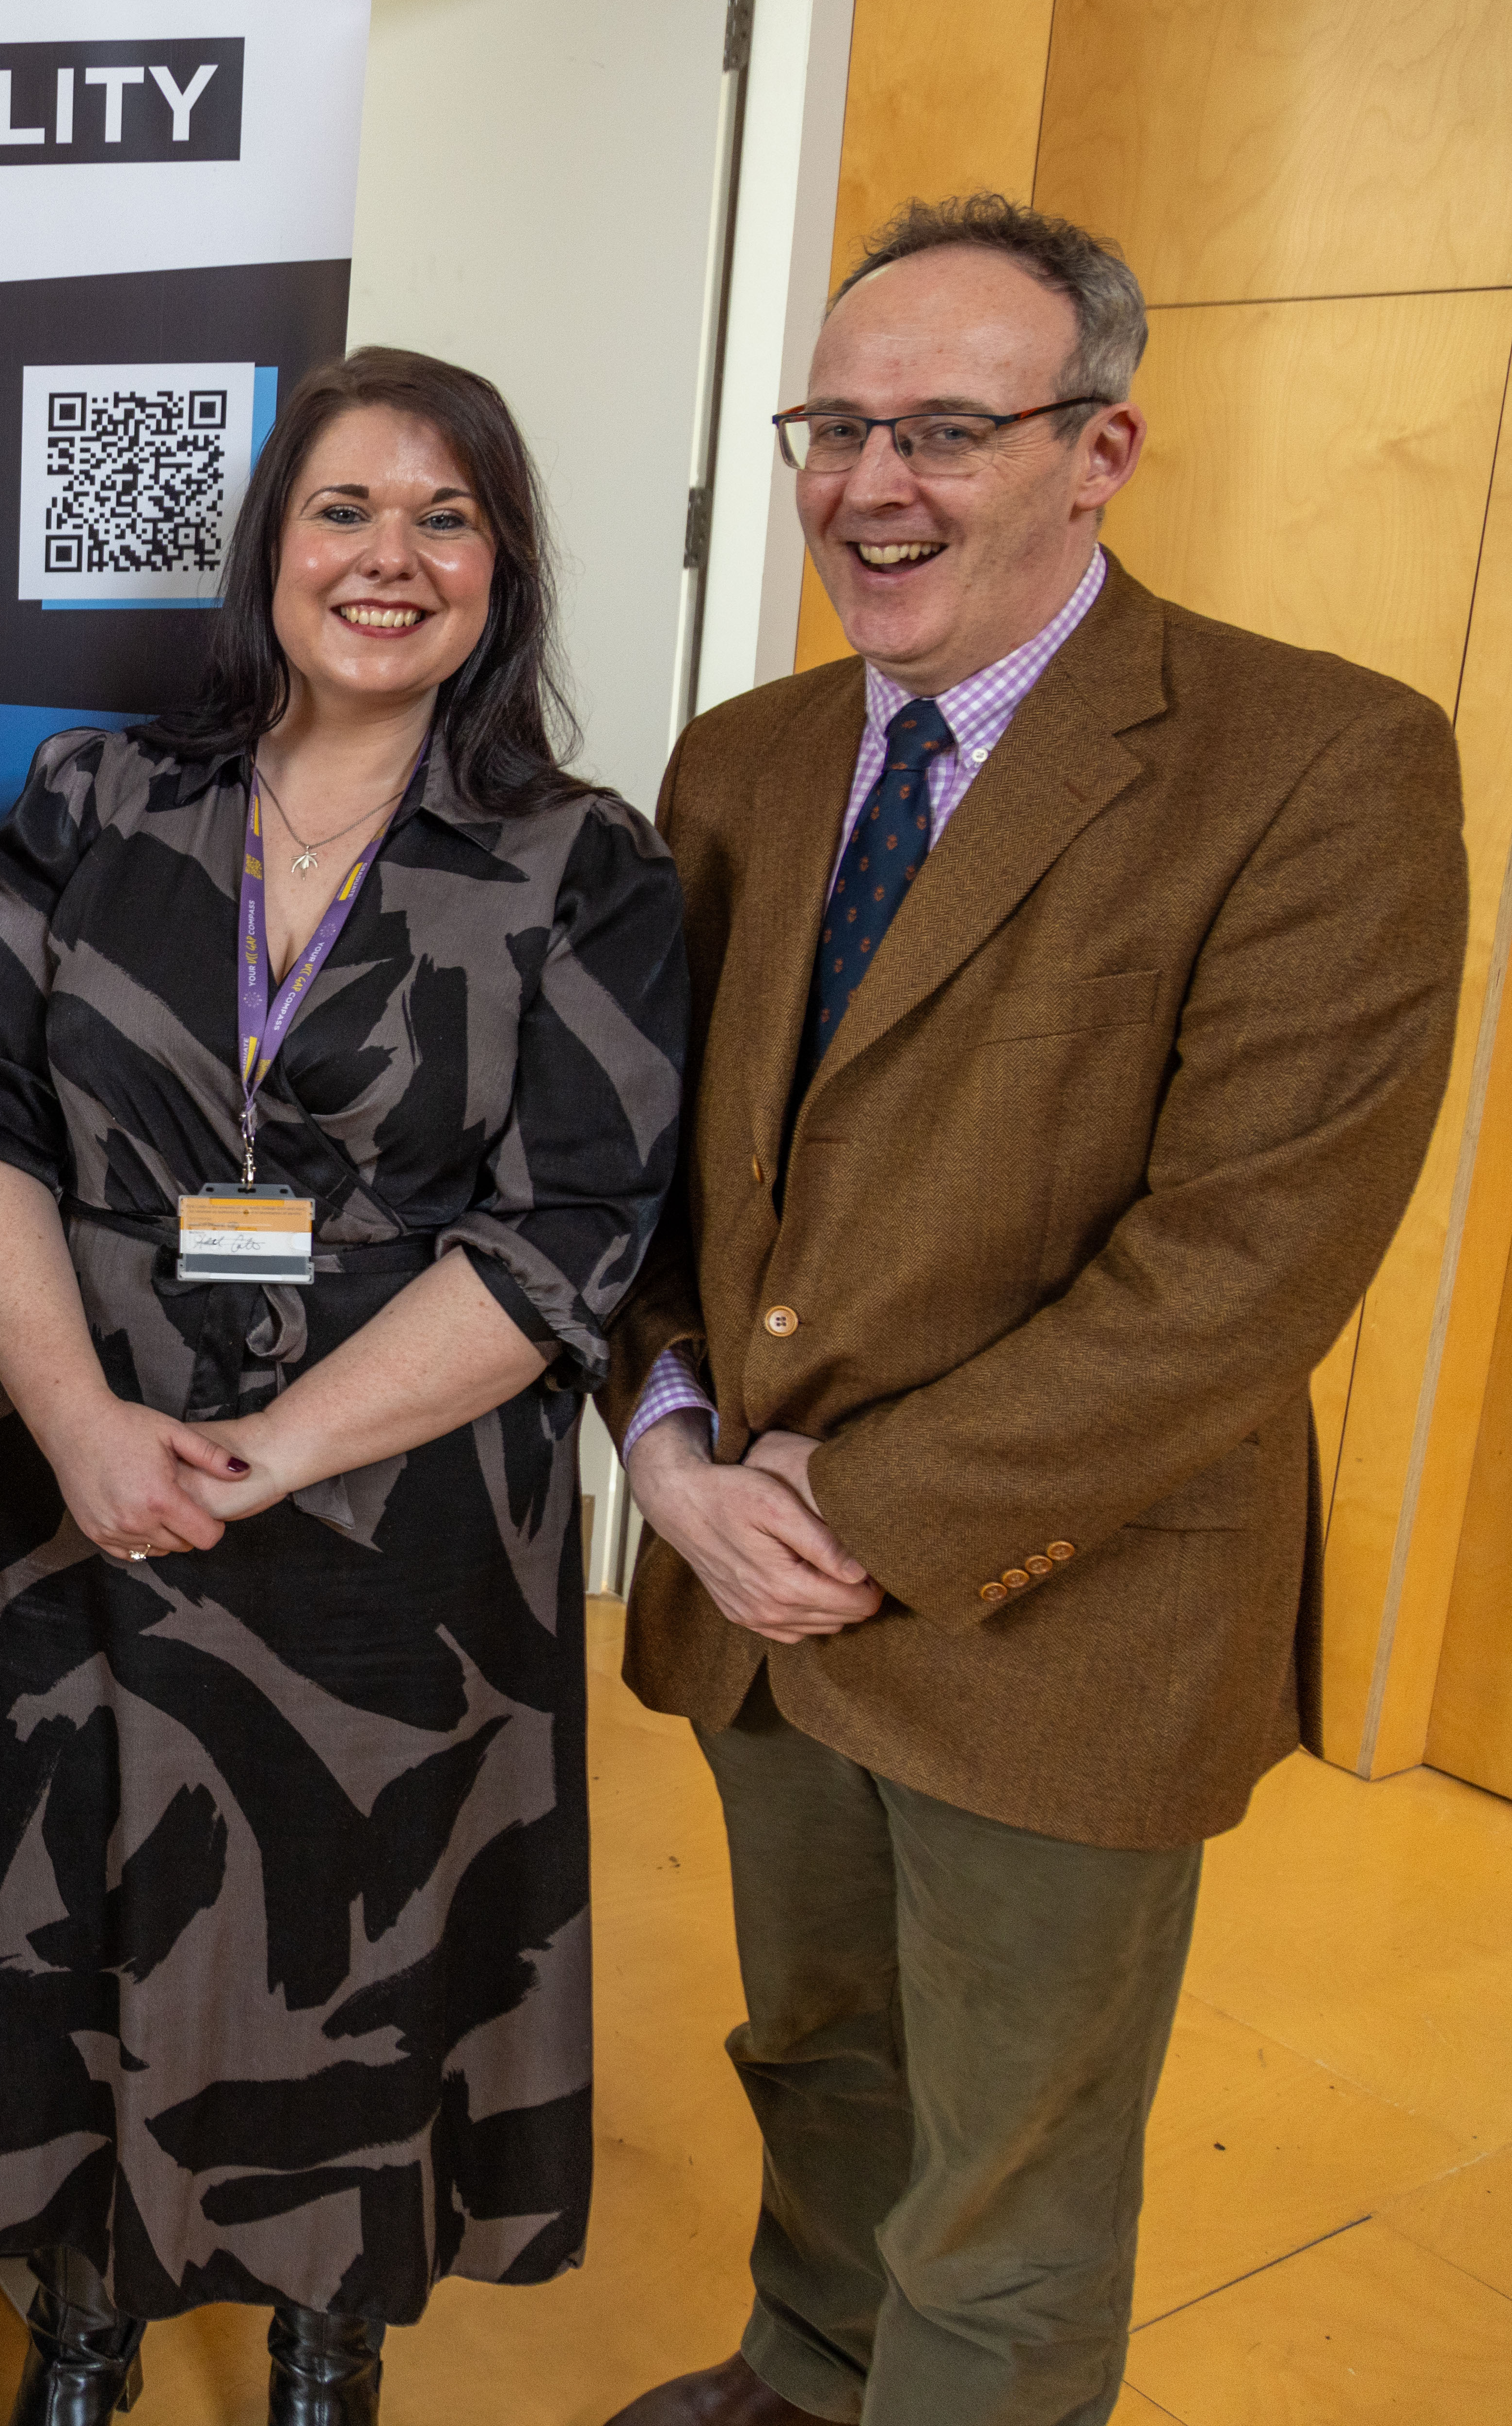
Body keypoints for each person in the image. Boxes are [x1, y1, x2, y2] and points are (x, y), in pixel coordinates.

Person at [598, 199, 1468, 2426]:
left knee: (1014, 2176)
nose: (868, 483)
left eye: (948, 431)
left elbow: (1244, 1260)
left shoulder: (1316, 759)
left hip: (1052, 1608)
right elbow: (651, 1167)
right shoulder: (745, 759)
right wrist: (672, 1446)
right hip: (754, 1587)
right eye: (837, 426)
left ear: (1099, 449)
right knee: (813, 2051)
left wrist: (856, 1498)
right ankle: (801, 2374)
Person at [0, 348, 689, 2426]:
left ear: (500, 568)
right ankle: (82, 2308)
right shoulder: (89, 802)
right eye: (344, 508)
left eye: (443, 517)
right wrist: (79, 1419)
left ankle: (323, 2332)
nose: (387, 556)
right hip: (85, 1480)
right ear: (270, 547)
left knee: (371, 1928)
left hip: (401, 1523)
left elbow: (570, 1229)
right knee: (78, 1907)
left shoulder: (576, 862)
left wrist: (278, 1443)